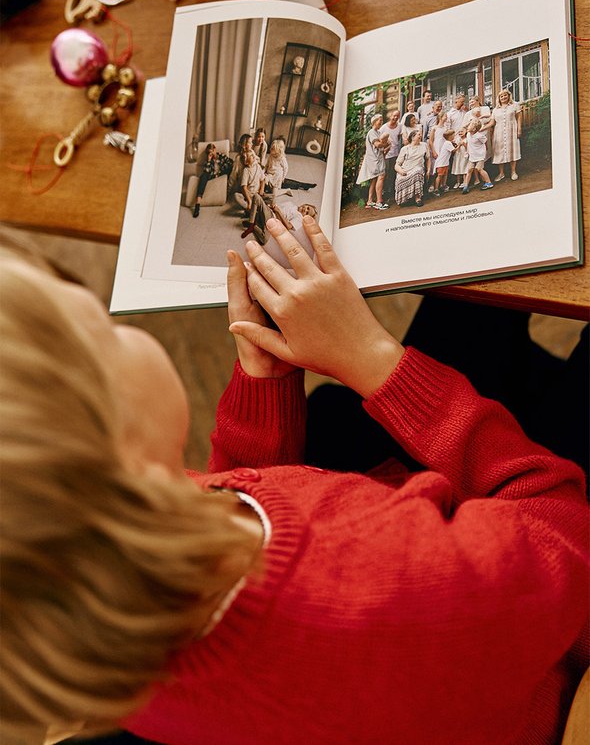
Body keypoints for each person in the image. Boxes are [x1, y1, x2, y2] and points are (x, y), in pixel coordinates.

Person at [0, 227, 587, 745]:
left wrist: (264, 377)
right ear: (118, 437)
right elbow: (563, 529)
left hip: (431, 542)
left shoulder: (111, 579)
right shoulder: (378, 589)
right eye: (102, 331)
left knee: (474, 271)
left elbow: (219, 497)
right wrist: (380, 364)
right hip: (544, 611)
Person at [241, 193, 317, 244]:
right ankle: (251, 222)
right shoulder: (291, 204)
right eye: (307, 207)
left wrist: (278, 211)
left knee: (264, 240)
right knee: (260, 196)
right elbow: (277, 206)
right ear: (306, 204)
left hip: (273, 220)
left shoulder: (299, 218)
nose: (305, 209)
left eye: (307, 212)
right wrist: (273, 207)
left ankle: (254, 224)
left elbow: (288, 227)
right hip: (270, 212)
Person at [486, 88, 522, 181]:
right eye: (501, 96)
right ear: (499, 98)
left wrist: (519, 129)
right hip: (499, 132)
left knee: (512, 150)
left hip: (511, 130)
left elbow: (518, 118)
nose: (503, 97)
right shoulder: (495, 110)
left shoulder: (515, 105)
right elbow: (492, 123)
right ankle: (501, 173)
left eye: (505, 95)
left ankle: (513, 172)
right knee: (499, 152)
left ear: (509, 96)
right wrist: (482, 127)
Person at [356, 113, 389, 211]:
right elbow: (378, 144)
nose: (381, 122)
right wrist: (385, 143)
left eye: (382, 120)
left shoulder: (377, 132)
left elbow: (382, 145)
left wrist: (385, 145)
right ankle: (379, 202)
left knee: (374, 179)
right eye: (380, 120)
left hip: (376, 158)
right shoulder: (372, 132)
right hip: (374, 159)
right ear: (374, 121)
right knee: (381, 176)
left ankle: (370, 201)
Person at [191, 143, 232, 218]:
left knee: (229, 167)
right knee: (203, 176)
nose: (211, 153)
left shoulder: (222, 156)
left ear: (215, 149)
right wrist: (209, 161)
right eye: (209, 152)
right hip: (211, 175)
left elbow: (229, 165)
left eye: (212, 151)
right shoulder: (208, 159)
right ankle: (197, 204)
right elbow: (206, 171)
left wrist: (219, 173)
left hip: (221, 175)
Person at [394, 128, 430, 207]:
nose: (420, 136)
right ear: (413, 137)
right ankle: (405, 199)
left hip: (418, 167)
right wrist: (401, 171)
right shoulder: (405, 149)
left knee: (417, 172)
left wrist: (428, 171)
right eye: (418, 135)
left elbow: (428, 159)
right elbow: (397, 164)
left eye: (420, 134)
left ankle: (417, 198)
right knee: (400, 178)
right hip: (406, 169)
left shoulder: (424, 145)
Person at [462, 118, 495, 193]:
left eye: (470, 125)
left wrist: (484, 151)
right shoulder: (468, 134)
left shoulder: (479, 136)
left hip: (480, 155)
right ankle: (466, 185)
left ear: (474, 129)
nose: (468, 126)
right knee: (470, 169)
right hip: (472, 155)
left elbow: (485, 142)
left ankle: (488, 182)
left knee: (479, 169)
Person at [379, 109, 403, 199]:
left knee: (393, 172)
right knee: (386, 172)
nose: (395, 117)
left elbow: (399, 136)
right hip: (386, 153)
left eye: (397, 116)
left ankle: (391, 191)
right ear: (390, 116)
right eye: (394, 116)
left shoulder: (400, 126)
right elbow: (380, 139)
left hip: (395, 152)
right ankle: (384, 191)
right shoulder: (384, 127)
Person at [432, 128, 456, 197]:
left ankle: (443, 186)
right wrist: (460, 145)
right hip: (441, 163)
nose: (454, 136)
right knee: (440, 175)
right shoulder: (447, 143)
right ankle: (436, 189)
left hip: (445, 162)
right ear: (450, 136)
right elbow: (454, 151)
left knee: (445, 175)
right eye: (453, 135)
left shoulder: (448, 143)